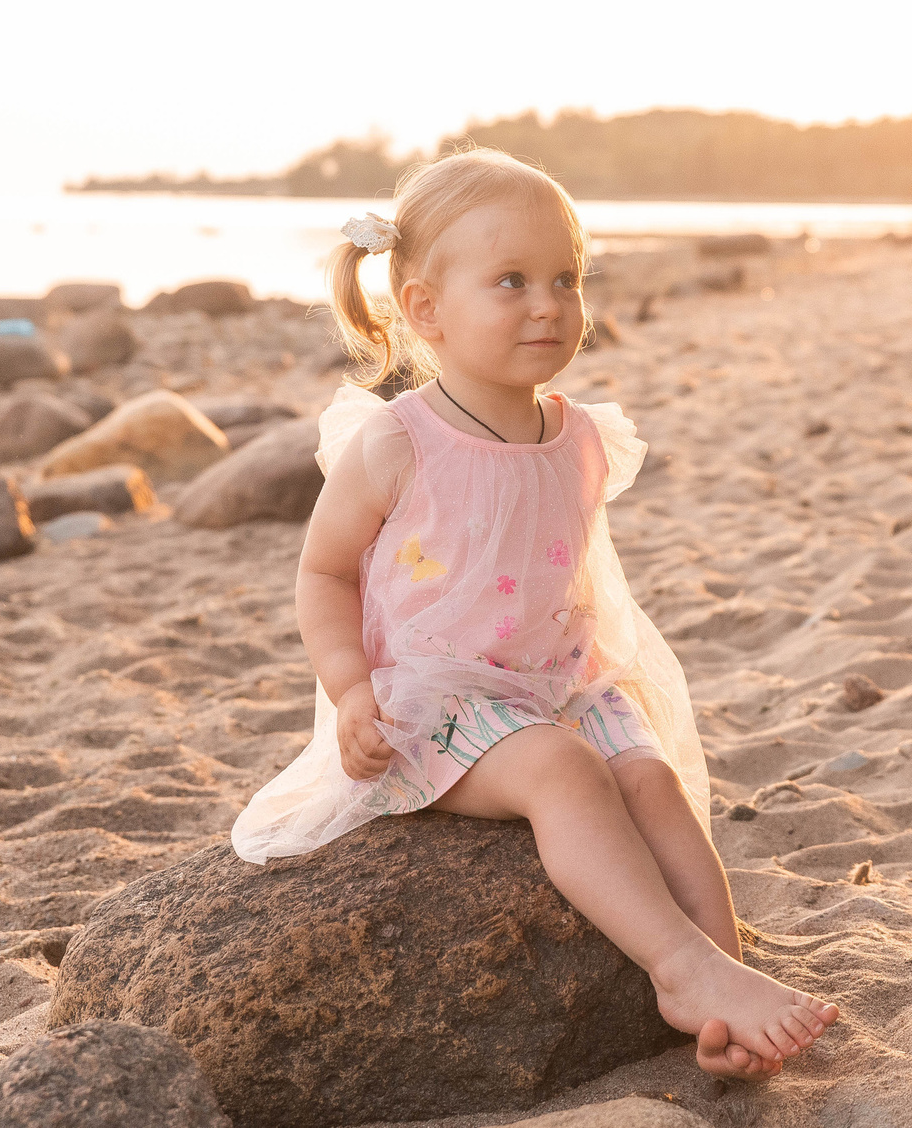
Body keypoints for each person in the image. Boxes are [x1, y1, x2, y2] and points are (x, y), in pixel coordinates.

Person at [230, 148, 837, 1078]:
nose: (548, 304)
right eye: (510, 280)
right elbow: (323, 573)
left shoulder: (581, 433)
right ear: (425, 306)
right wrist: (351, 690)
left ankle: (719, 986)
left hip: (556, 680)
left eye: (567, 278)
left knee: (651, 780)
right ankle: (680, 966)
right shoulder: (398, 442)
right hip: (437, 700)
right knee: (563, 771)